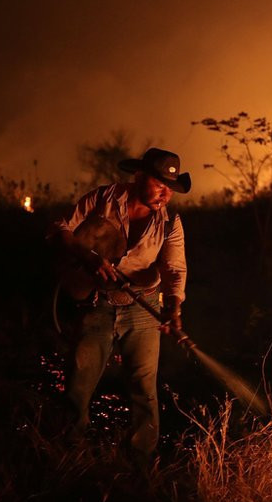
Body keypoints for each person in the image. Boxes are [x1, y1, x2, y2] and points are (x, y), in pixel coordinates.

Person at [48, 147, 191, 461]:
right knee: (79, 381)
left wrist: (173, 306)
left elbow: (174, 269)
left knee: (144, 389)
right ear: (139, 176)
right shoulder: (102, 199)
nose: (166, 193)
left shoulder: (170, 222)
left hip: (143, 308)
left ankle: (140, 461)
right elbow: (60, 228)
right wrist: (87, 256)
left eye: (171, 187)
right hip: (96, 303)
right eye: (159, 183)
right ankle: (68, 452)